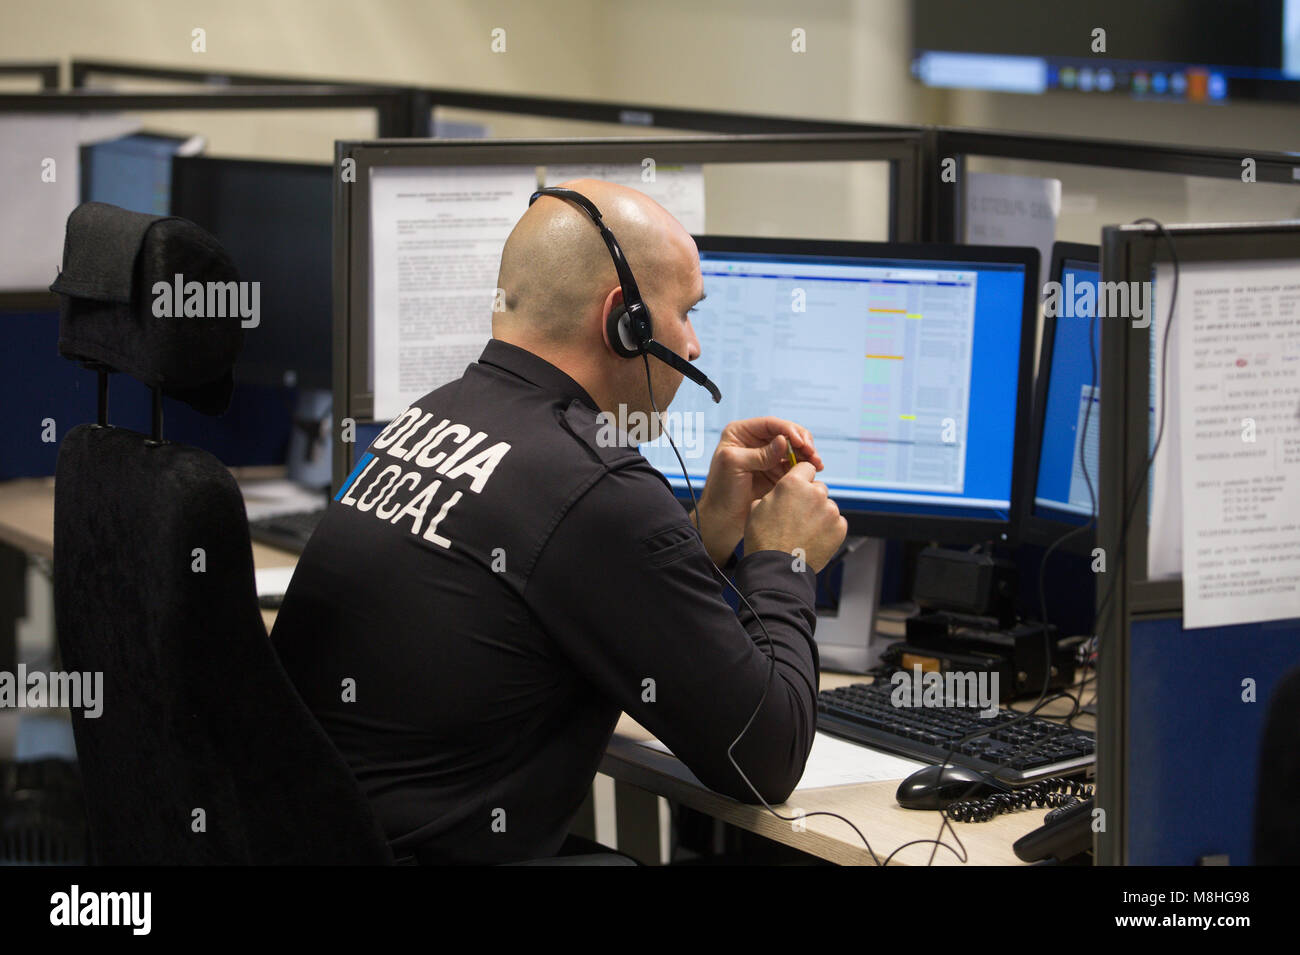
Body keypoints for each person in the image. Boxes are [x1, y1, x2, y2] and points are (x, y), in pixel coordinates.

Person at [270, 179, 847, 864]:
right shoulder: (595, 483)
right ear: (623, 320)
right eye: (686, 313)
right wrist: (785, 557)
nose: (693, 347)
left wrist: (708, 532)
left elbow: (572, 581)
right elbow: (765, 756)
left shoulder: (431, 416)